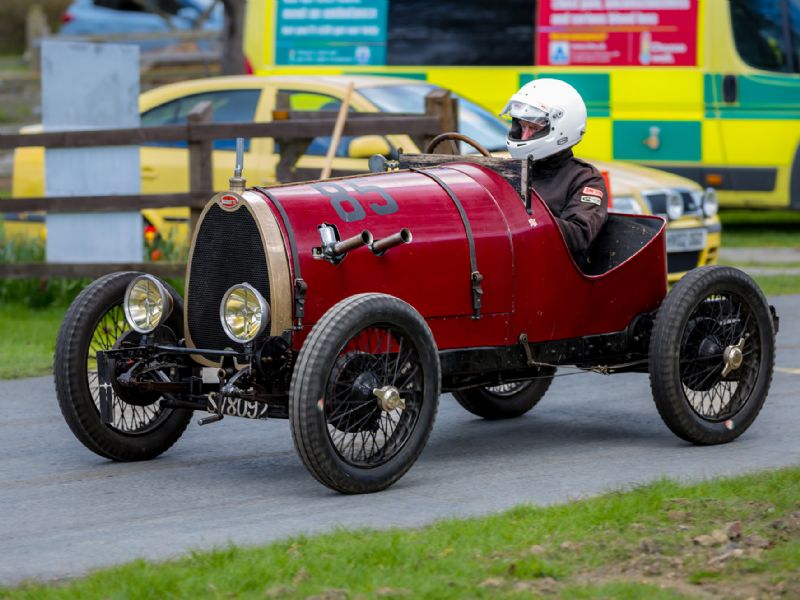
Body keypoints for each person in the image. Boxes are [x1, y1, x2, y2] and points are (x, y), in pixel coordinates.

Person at [501, 78, 608, 258]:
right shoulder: (510, 171)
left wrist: (523, 218)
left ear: (560, 130)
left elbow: (578, 236)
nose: (525, 135)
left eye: (533, 127)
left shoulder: (584, 179)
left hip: (552, 275)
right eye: (522, 125)